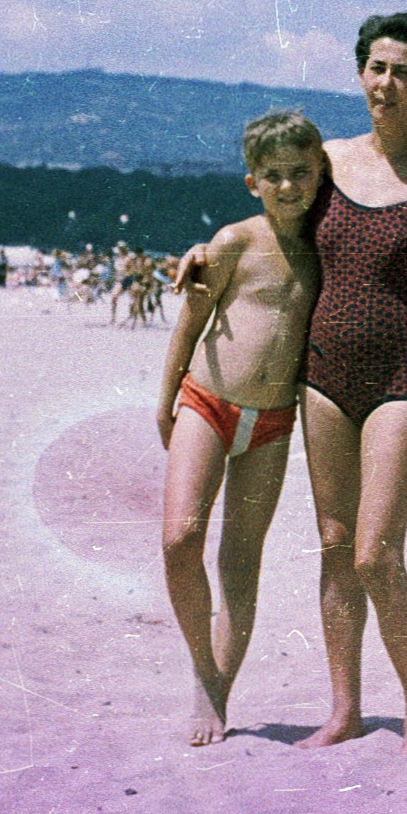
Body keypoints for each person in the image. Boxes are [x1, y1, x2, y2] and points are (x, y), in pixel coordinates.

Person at [175, 12, 407, 762]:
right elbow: (273, 215)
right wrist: (208, 250)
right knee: (335, 545)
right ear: (360, 74)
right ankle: (345, 710)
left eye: (404, 72)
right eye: (376, 68)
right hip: (322, 374)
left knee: (378, 553)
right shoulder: (328, 161)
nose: (386, 83)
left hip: (405, 373)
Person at [157, 111, 324, 747]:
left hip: (274, 420)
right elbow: (189, 326)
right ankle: (203, 665)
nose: (287, 186)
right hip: (207, 401)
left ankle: (216, 689)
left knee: (241, 561)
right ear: (252, 182)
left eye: (300, 173)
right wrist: (164, 401)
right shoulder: (233, 242)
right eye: (272, 175)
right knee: (180, 539)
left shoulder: (326, 248)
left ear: (319, 174)